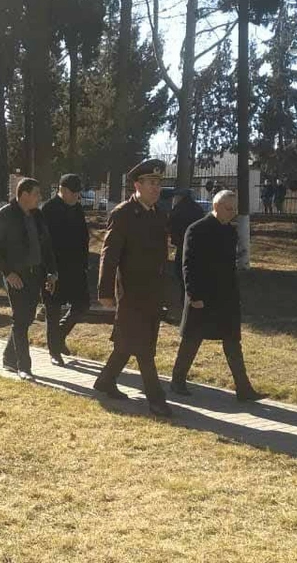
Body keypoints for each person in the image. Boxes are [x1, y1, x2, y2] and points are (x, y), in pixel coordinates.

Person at [93, 158, 173, 418]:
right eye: (151, 182)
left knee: (128, 343)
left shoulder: (159, 214)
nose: (156, 188)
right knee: (144, 346)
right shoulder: (123, 214)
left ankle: (105, 381)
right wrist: (105, 291)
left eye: (158, 183)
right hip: (131, 291)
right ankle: (156, 398)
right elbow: (109, 255)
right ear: (137, 185)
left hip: (153, 291)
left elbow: (161, 257)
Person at [169, 190, 265, 402]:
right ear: (216, 207)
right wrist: (193, 294)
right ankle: (177, 380)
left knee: (232, 342)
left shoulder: (230, 231)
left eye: (235, 209)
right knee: (192, 339)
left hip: (226, 296)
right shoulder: (197, 229)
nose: (232, 213)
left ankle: (244, 388)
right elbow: (187, 264)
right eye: (229, 209)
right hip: (202, 295)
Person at [0, 178, 57, 381]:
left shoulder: (37, 215)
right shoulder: (5, 215)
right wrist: (8, 272)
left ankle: (9, 358)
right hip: (16, 275)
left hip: (36, 274)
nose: (40, 197)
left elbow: (46, 246)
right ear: (24, 195)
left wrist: (52, 272)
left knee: (26, 318)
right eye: (36, 194)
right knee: (20, 319)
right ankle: (23, 366)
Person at [40, 173, 90, 366]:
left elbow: (84, 237)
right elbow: (43, 244)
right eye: (73, 192)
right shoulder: (48, 209)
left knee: (82, 305)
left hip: (75, 268)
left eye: (78, 193)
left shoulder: (77, 208)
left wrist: (84, 263)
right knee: (53, 311)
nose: (77, 196)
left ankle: (59, 335)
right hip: (53, 269)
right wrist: (48, 271)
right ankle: (54, 351)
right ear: (62, 190)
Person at [168, 187, 206, 305]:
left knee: (180, 271)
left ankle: (184, 297)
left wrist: (174, 239)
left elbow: (171, 224)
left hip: (182, 245)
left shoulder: (178, 209)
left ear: (180, 197)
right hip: (197, 246)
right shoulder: (197, 208)